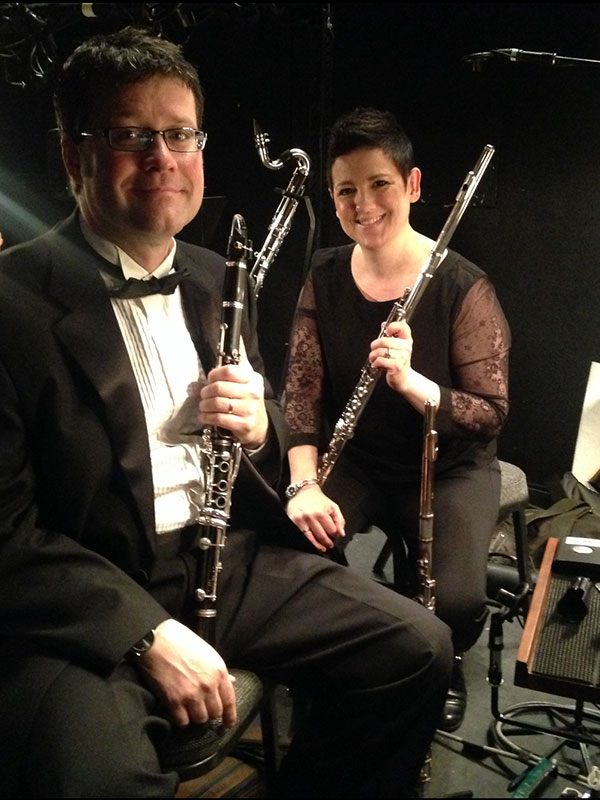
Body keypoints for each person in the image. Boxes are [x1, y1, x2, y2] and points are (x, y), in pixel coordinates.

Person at [0, 29, 453, 799]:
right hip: (91, 593)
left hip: (225, 560)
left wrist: (263, 429)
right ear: (74, 155)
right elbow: (8, 536)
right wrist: (142, 634)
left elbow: (264, 439)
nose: (162, 157)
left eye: (179, 134)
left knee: (418, 648)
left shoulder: (216, 278)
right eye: (129, 136)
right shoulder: (12, 306)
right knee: (97, 777)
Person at [283, 107, 511, 734]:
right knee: (295, 543)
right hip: (357, 459)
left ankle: (441, 661)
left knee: (458, 599)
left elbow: (489, 414)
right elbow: (300, 398)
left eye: (379, 184)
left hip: (448, 466)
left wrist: (416, 386)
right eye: (346, 190)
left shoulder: (463, 285)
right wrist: (303, 484)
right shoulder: (324, 275)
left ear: (411, 185)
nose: (363, 204)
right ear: (332, 198)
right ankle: (350, 658)